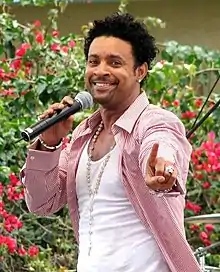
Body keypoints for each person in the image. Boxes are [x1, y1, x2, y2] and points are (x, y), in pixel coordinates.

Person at [20, 13, 202, 272]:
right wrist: (49, 144)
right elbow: (41, 204)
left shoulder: (155, 122)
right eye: (93, 61)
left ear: (140, 71)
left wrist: (163, 167)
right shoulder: (83, 134)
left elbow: (161, 143)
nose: (101, 71)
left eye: (115, 62)